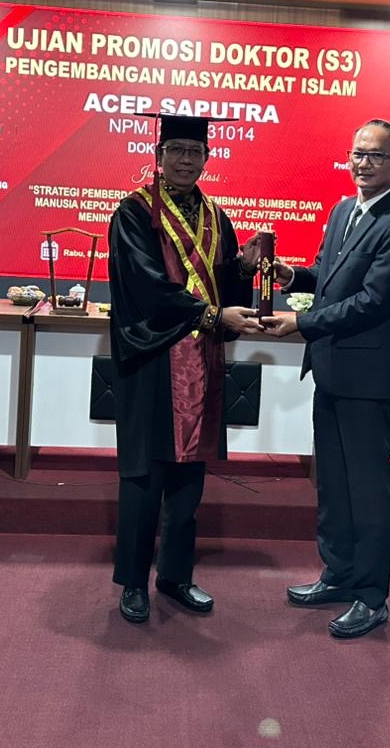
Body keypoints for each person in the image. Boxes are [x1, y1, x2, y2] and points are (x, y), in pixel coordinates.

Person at [262, 119, 390, 639]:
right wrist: (293, 277)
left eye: (376, 156)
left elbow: (373, 301)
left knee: (368, 491)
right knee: (332, 485)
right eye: (357, 153)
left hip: (367, 379)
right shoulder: (340, 212)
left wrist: (302, 322)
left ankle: (372, 597)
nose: (363, 163)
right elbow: (328, 279)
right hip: (331, 370)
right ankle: (338, 574)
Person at [107, 114, 263, 625]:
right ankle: (134, 582)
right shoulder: (133, 213)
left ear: (207, 159)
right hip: (152, 359)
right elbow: (145, 285)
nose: (186, 160)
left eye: (195, 152)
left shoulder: (217, 217)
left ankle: (174, 576)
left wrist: (242, 269)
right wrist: (212, 315)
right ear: (158, 156)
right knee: (144, 477)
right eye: (176, 150)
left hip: (200, 363)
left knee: (189, 479)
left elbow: (222, 284)